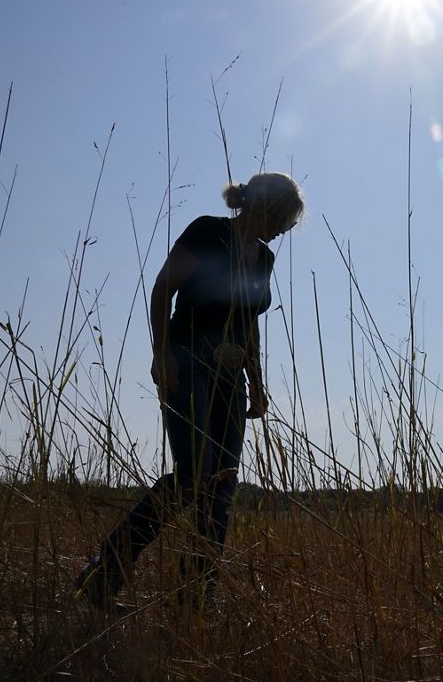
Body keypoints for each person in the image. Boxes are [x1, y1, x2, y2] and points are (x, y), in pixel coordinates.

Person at [76, 171, 304, 610]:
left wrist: (256, 381)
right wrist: (161, 351)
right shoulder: (206, 231)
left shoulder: (264, 258)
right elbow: (164, 288)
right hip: (188, 359)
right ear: (265, 209)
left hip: (231, 373)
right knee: (192, 477)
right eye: (283, 220)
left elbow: (248, 322)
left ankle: (196, 596)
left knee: (221, 485)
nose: (283, 231)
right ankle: (103, 574)